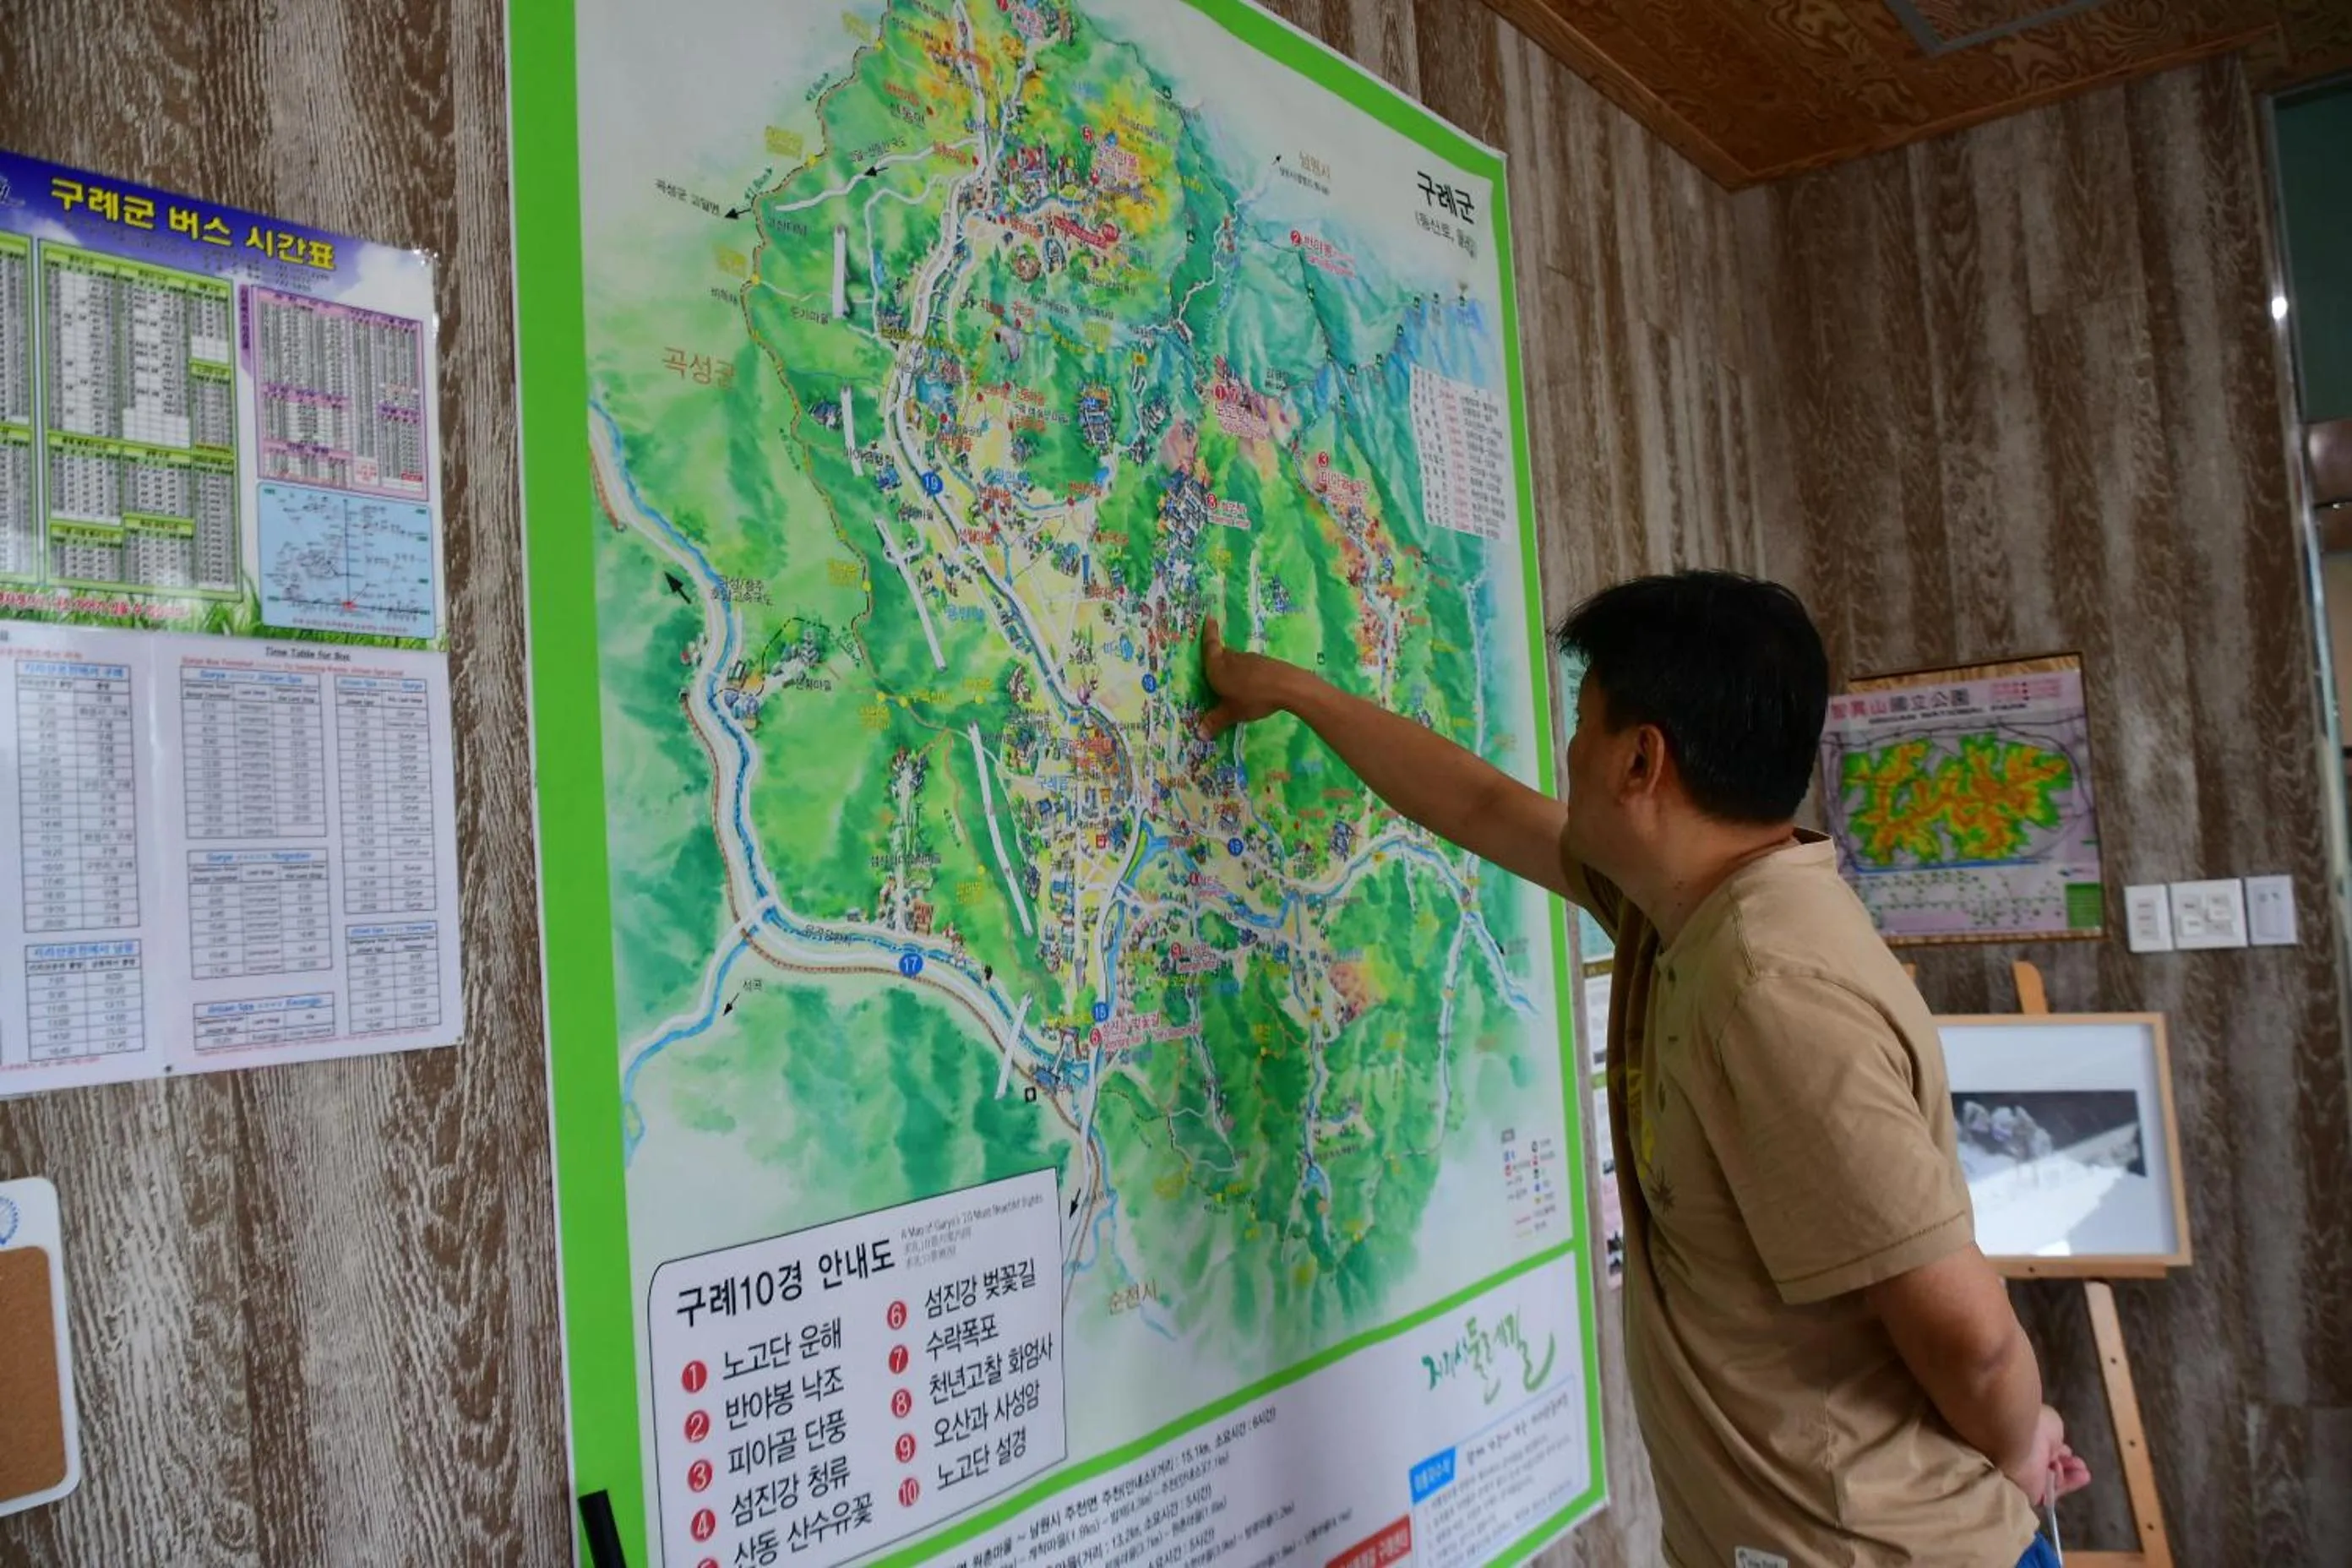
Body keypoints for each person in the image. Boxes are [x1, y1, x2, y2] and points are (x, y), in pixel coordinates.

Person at [1199, 570, 2091, 1567]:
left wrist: (2018, 1447)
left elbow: (1970, 1334)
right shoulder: (1684, 910)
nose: (1568, 752)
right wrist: (1301, 695)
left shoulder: (1772, 990)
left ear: (1640, 759)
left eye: (1583, 723)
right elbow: (1486, 805)